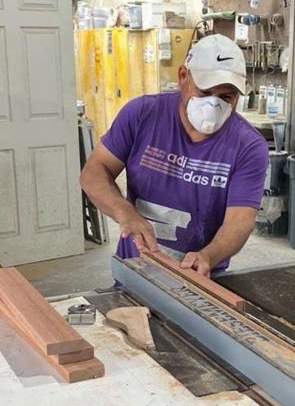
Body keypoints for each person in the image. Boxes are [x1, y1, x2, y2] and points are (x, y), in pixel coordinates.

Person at [81, 33, 269, 278]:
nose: (213, 105)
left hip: (199, 275)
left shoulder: (248, 146)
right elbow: (93, 172)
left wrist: (208, 256)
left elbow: (240, 221)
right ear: (183, 77)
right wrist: (124, 212)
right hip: (135, 267)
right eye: (205, 92)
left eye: (226, 97)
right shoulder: (142, 115)